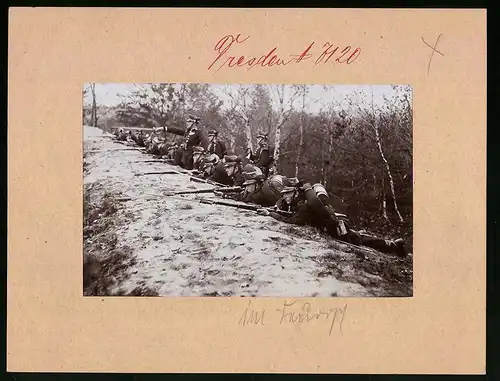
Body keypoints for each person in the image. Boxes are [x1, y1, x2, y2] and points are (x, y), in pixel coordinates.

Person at [266, 183, 406, 257]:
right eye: (284, 194)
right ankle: (392, 244)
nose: (285, 197)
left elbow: (294, 221)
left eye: (287, 193)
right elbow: (291, 215)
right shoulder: (300, 201)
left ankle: (393, 246)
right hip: (334, 223)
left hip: (337, 226)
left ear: (295, 192)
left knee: (359, 240)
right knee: (360, 237)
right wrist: (276, 211)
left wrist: (271, 214)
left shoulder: (304, 205)